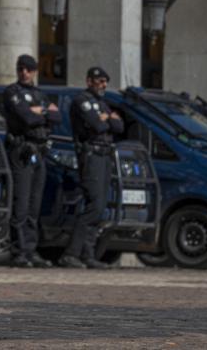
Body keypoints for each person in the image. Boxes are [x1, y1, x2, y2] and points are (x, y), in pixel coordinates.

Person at [59, 66, 123, 270]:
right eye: (100, 81)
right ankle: (71, 253)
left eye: (105, 81)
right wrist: (106, 120)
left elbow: (119, 127)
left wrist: (108, 119)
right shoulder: (82, 100)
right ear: (89, 81)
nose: (104, 85)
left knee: (99, 206)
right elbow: (98, 125)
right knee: (94, 204)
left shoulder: (102, 103)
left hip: (104, 155)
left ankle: (88, 254)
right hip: (91, 155)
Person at [2, 54, 61, 268]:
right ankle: (18, 251)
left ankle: (30, 249)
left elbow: (57, 117)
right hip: (21, 150)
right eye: (21, 69)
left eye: (28, 69)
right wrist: (39, 113)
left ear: (35, 71)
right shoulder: (12, 92)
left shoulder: (39, 95)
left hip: (39, 151)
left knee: (34, 205)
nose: (24, 73)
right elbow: (25, 117)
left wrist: (40, 111)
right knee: (21, 202)